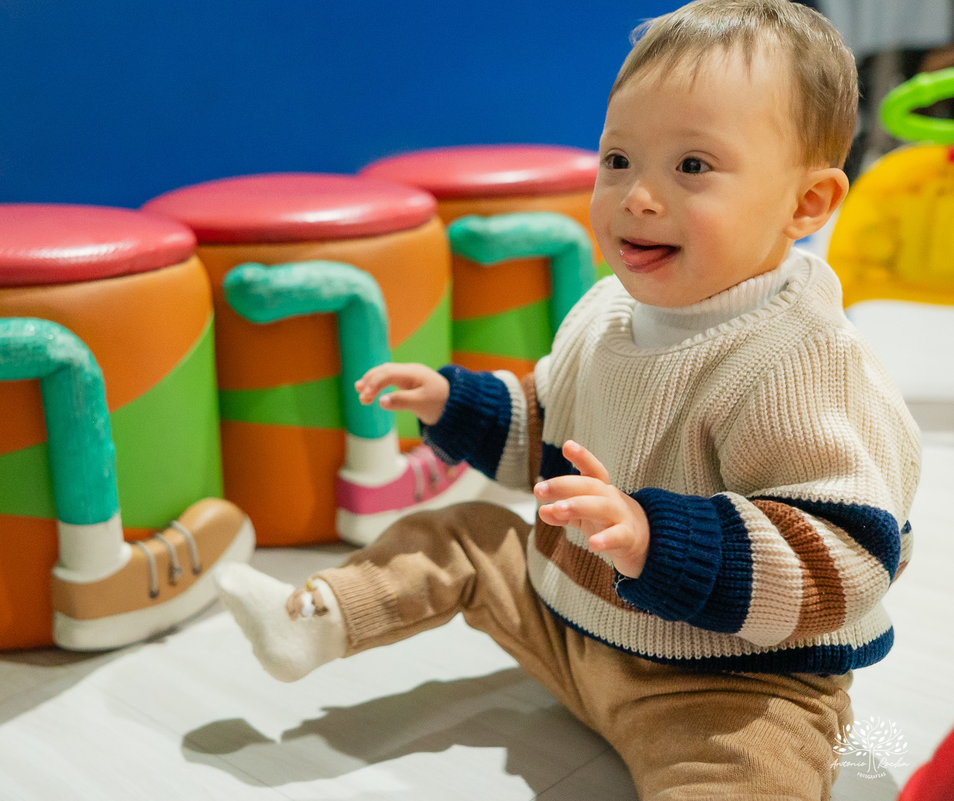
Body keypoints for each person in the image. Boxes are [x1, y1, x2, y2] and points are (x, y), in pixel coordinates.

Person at [216, 1, 922, 798]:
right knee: (465, 537)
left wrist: (657, 537)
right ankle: (316, 618)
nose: (638, 196)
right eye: (618, 159)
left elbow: (845, 556)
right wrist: (458, 403)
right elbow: (549, 423)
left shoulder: (802, 362)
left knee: (749, 774)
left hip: (731, 683)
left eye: (692, 166)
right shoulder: (606, 312)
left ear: (808, 205)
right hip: (572, 622)